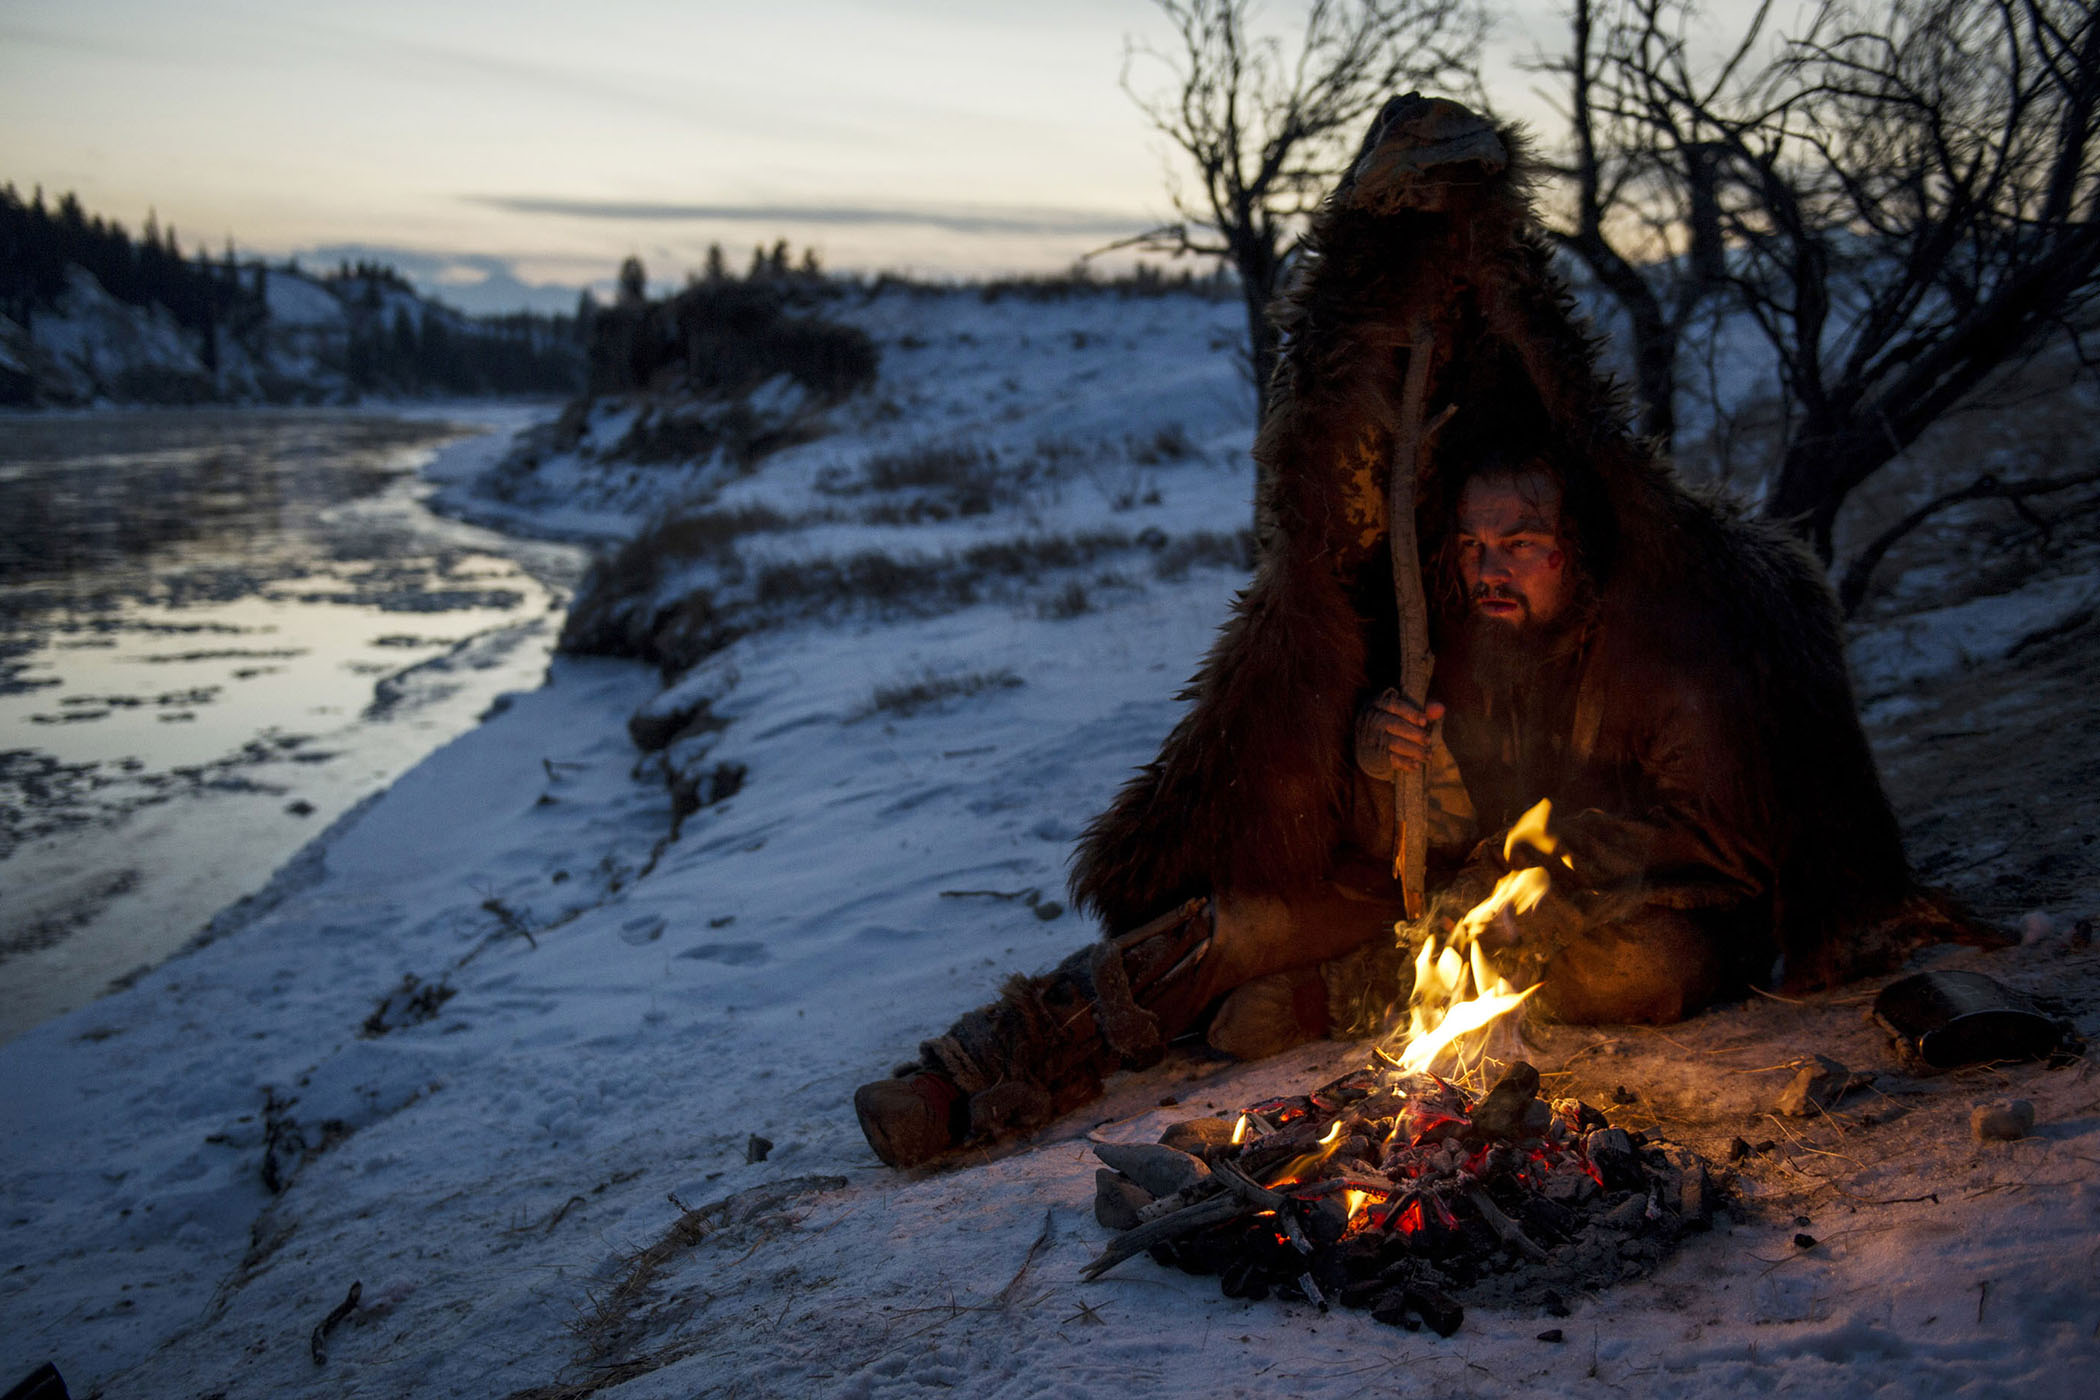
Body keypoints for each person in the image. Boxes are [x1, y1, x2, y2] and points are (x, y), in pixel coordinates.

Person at [854, 94, 1953, 1169]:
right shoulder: (1461, 633)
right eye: (1474, 548)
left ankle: (1337, 997)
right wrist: (1389, 768)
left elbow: (1714, 842)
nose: (1491, 569)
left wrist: (1537, 877)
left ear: (1579, 538)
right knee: (1223, 928)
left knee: (1645, 970)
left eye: (1522, 542)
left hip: (1616, 914)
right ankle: (972, 1074)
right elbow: (1416, 832)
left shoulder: (1666, 642)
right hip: (1442, 902)